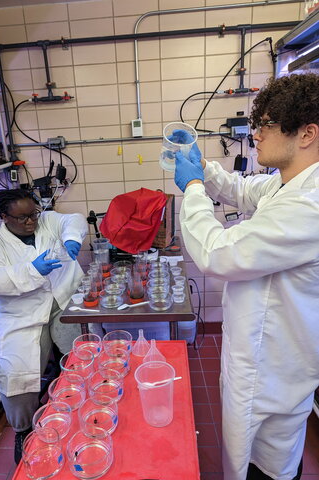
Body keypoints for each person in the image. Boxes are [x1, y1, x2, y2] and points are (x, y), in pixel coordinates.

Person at [173, 73, 319, 480]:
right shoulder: (287, 185)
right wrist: (200, 164)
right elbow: (241, 188)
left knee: (268, 465)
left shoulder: (310, 206)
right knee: (257, 453)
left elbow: (217, 254)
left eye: (267, 125)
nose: (255, 134)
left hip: (273, 369)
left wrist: (195, 189)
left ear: (306, 133)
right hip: (260, 356)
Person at [0, 189, 89, 464]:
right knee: (17, 374)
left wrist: (72, 238)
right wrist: (32, 269)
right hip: (21, 314)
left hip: (63, 300)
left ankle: (79, 408)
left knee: (79, 355)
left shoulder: (47, 220)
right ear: (4, 217)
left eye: (33, 214)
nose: (31, 222)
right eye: (22, 217)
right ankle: (23, 430)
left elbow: (73, 220)